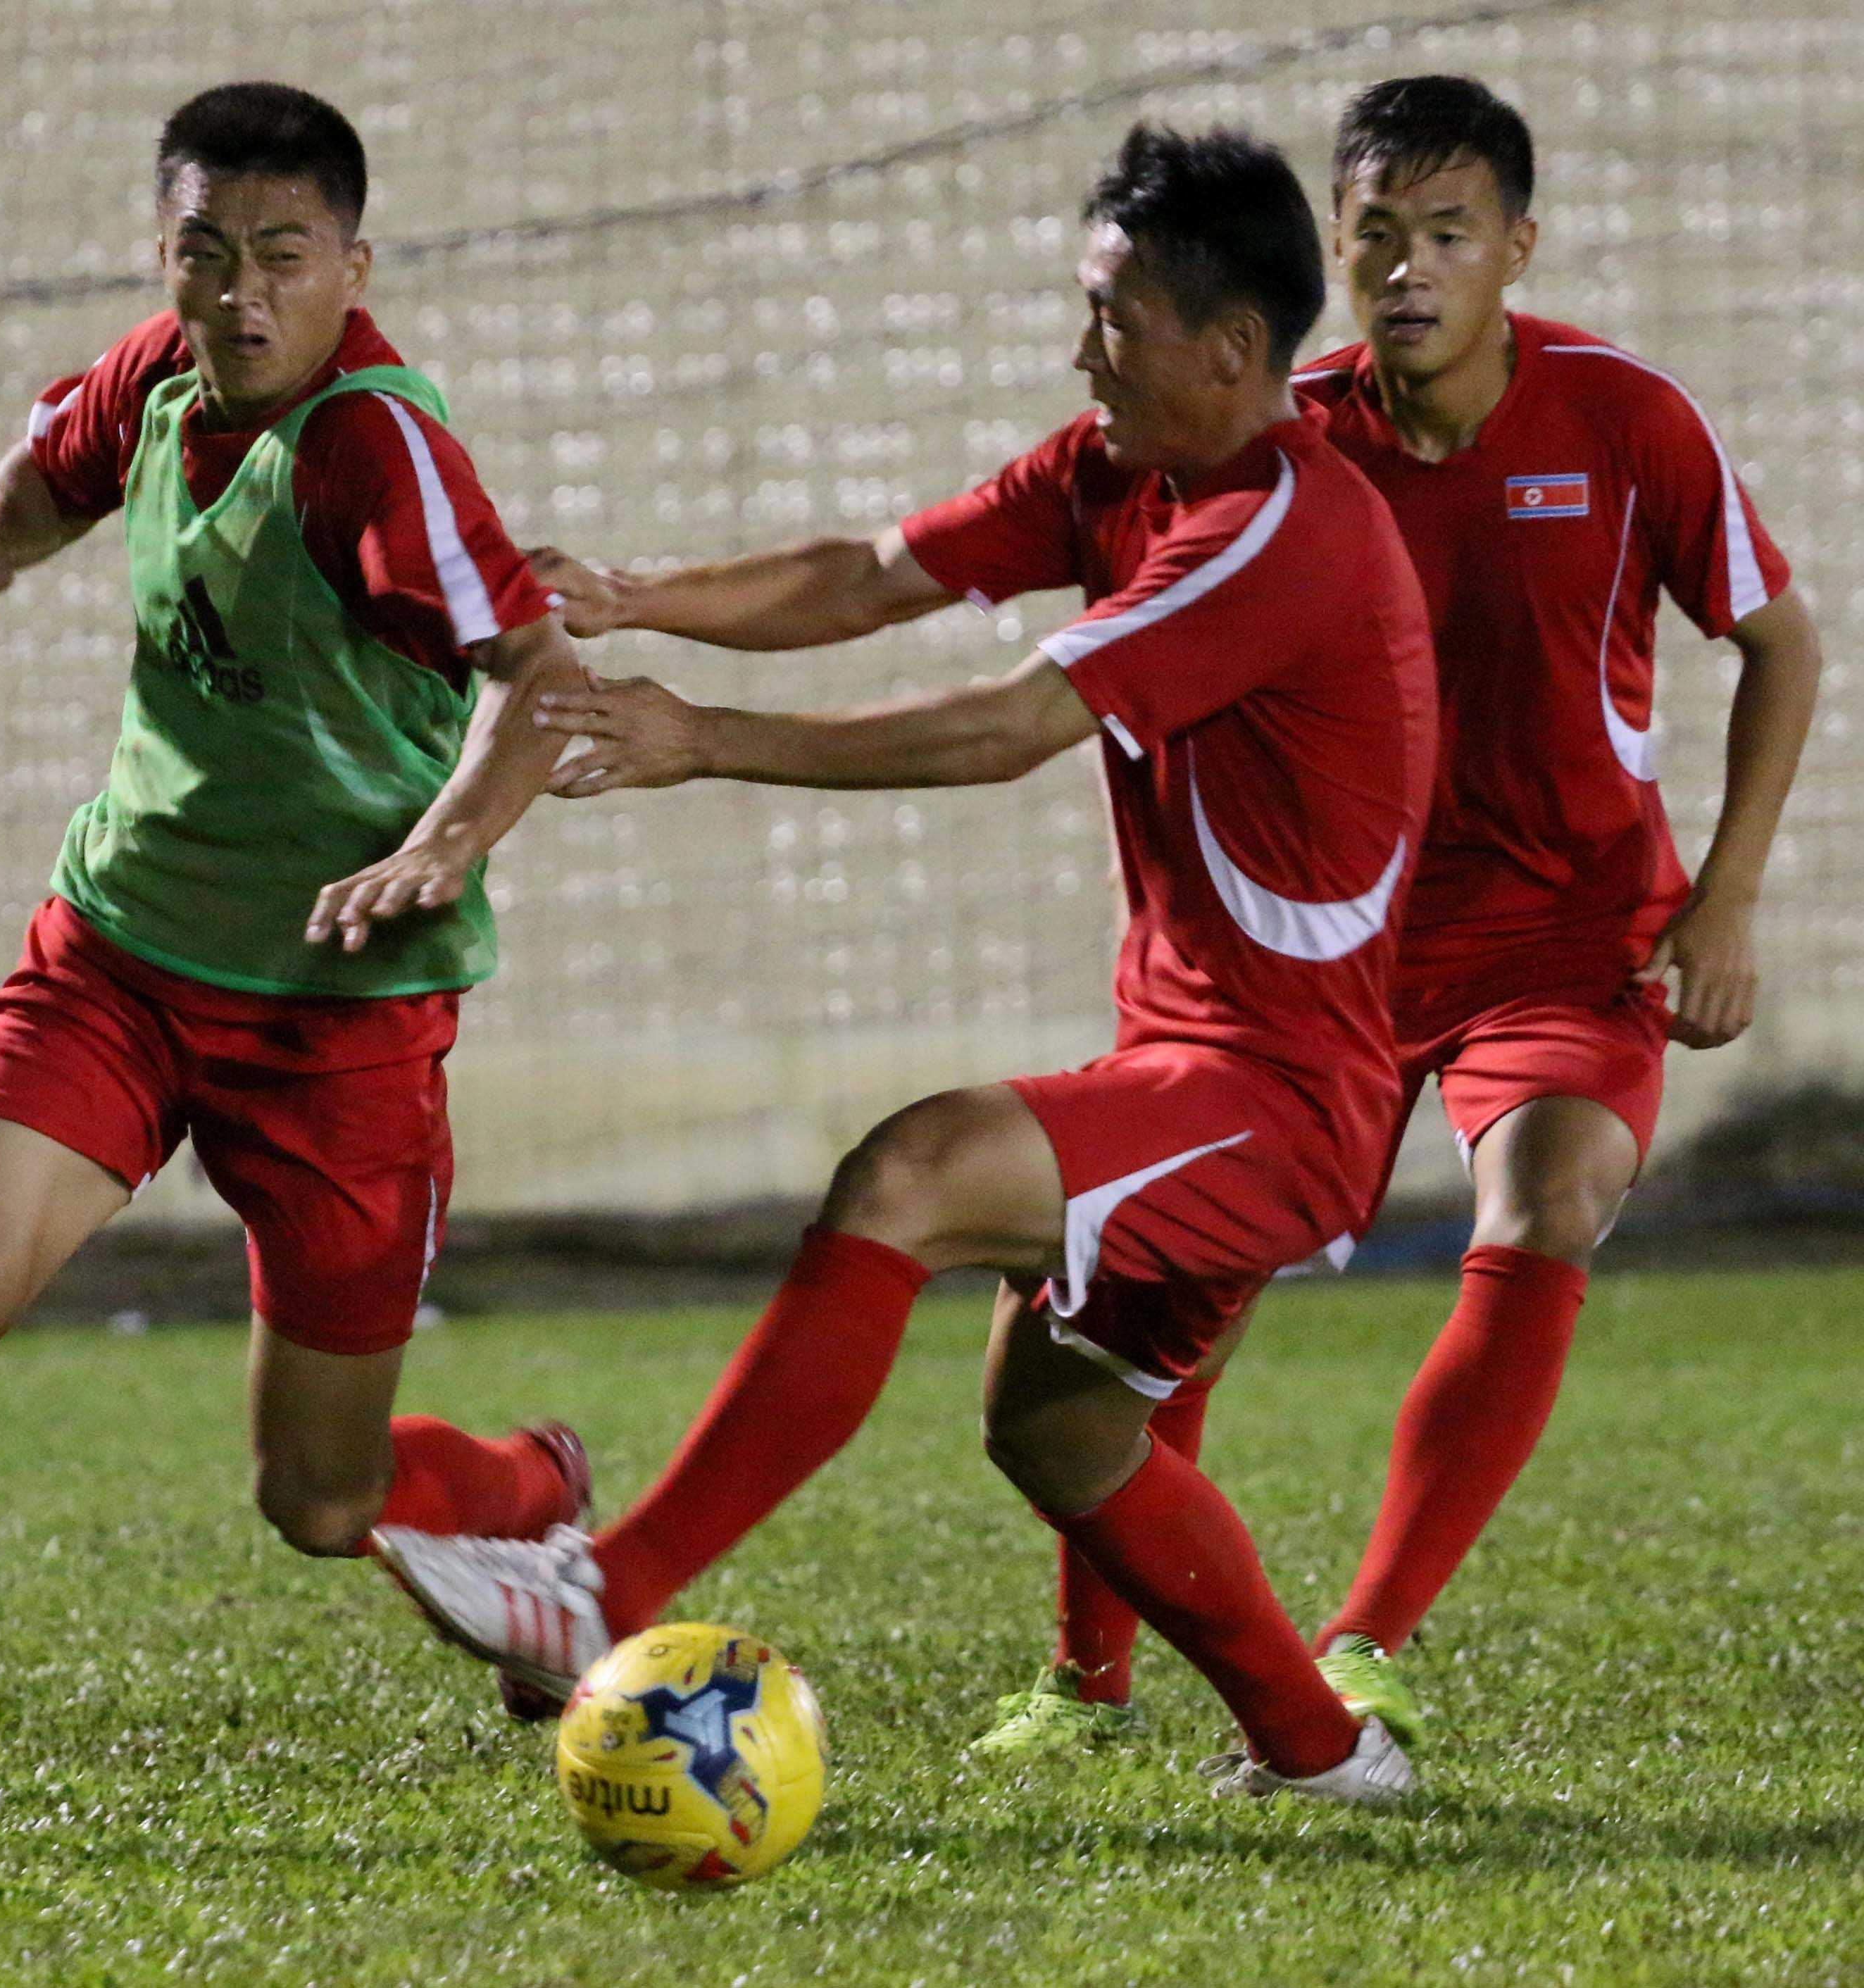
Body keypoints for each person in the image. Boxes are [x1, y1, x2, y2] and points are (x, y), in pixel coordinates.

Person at [374, 123, 1441, 1804]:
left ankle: (602, 1591)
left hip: (1280, 1097)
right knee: (1058, 1426)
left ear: (1231, 348)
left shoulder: (1279, 528)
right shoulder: (1118, 467)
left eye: (1113, 319)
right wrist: (639, 596)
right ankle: (1319, 1747)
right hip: (1190, 1065)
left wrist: (703, 737)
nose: (1082, 350)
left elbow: (1006, 727)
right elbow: (873, 576)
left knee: (911, 1169)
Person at [0, 82, 596, 1868]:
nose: (241, 294)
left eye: (284, 257)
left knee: (317, 1498)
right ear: (164, 254)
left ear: (352, 268)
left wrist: (442, 845)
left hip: (338, 1014)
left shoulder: (373, 451)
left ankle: (528, 1487)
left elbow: (541, 678)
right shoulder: (160, 375)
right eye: (205, 252)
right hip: (117, 958)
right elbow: (48, 471)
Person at [960, 75, 1825, 1756]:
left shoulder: (1626, 418)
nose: (1410, 268)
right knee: (1180, 1268)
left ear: (1518, 246)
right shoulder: (1276, 450)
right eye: (1377, 236)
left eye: (1448, 233)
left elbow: (1779, 641)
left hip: (1566, 937)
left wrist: (1724, 901)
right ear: (1335, 255)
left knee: (1549, 1195)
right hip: (1328, 959)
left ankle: (1362, 1640)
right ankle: (1086, 1677)